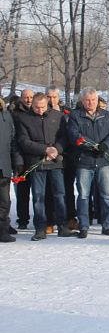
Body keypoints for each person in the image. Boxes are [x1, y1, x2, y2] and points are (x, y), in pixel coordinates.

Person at [17, 93, 76, 240]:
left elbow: (64, 137)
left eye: (42, 107)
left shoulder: (58, 116)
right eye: (36, 107)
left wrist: (56, 149)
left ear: (47, 104)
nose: (40, 110)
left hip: (56, 162)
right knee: (38, 197)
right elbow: (24, 141)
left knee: (60, 195)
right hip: (37, 163)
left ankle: (62, 226)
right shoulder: (24, 118)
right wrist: (45, 150)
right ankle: (40, 228)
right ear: (32, 105)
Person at [68, 87, 109, 238]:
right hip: (84, 161)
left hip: (103, 160)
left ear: (97, 101)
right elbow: (74, 135)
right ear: (82, 101)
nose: (90, 102)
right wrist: (92, 146)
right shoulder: (75, 116)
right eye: (87, 100)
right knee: (84, 195)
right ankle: (84, 226)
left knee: (106, 195)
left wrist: (105, 145)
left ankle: (107, 225)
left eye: (93, 100)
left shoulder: (106, 115)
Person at [47, 86, 78, 230]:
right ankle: (50, 220)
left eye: (54, 96)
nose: (52, 99)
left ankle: (71, 217)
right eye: (49, 96)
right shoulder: (41, 110)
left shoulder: (68, 112)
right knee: (50, 190)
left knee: (68, 189)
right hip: (50, 157)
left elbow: (71, 132)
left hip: (67, 156)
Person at [0, 97, 22, 243]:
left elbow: (13, 141)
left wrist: (18, 162)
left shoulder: (6, 115)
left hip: (4, 166)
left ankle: (2, 230)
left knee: (4, 201)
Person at [11, 89, 34, 230]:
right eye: (26, 97)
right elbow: (14, 139)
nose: (29, 100)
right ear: (21, 98)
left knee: (39, 192)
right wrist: (17, 160)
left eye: (31, 97)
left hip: (35, 157)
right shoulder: (15, 115)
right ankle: (23, 219)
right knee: (22, 192)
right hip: (21, 158)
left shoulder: (39, 112)